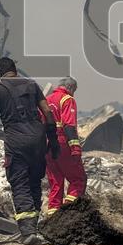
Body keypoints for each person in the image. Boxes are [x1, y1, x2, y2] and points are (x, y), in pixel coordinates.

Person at [0, 57, 60, 244]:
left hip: (16, 142)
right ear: (15, 69)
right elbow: (48, 112)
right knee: (34, 183)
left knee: (20, 183)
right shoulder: (32, 85)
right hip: (38, 139)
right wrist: (53, 139)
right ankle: (33, 227)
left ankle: (28, 231)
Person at [44, 76, 87, 214]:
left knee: (56, 183)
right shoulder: (67, 99)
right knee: (78, 179)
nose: (73, 93)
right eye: (74, 90)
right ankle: (69, 212)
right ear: (70, 87)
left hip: (46, 145)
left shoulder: (46, 100)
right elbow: (69, 125)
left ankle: (52, 215)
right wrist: (75, 148)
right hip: (61, 143)